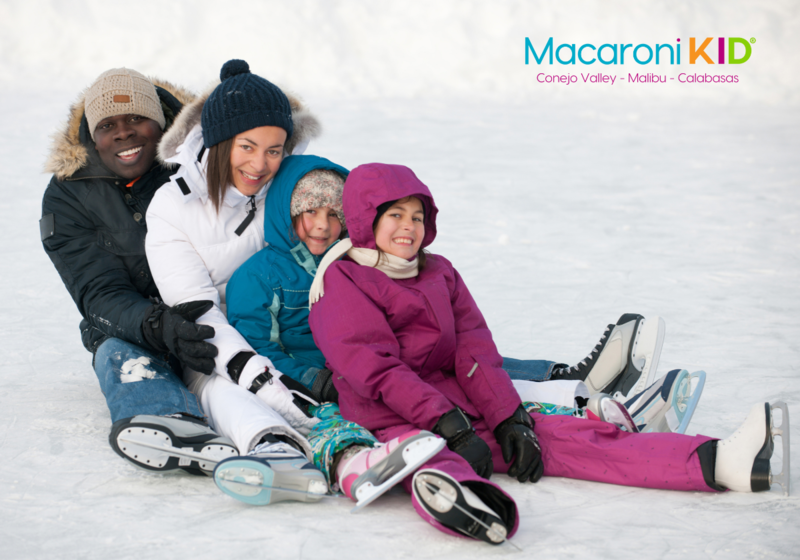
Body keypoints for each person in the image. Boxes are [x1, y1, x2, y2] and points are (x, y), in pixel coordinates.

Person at [307, 163, 790, 545]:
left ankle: (721, 461)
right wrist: (446, 424)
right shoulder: (343, 281)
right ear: (367, 219)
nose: (408, 228)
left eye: (417, 216)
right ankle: (470, 503)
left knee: (574, 437)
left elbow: (475, 351)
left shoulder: (440, 271)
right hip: (391, 418)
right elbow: (376, 370)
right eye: (395, 215)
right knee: (432, 455)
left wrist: (509, 419)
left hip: (459, 404)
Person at [145, 60, 444, 507]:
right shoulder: (172, 207)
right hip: (214, 341)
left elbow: (336, 221)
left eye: (274, 149)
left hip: (291, 327)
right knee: (223, 386)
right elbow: (197, 311)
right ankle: (279, 450)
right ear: (220, 141)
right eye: (247, 146)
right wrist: (266, 379)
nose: (260, 164)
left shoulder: (285, 186)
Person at [40, 68, 239, 475]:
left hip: (218, 307)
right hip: (134, 325)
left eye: (136, 119)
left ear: (163, 122)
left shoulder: (200, 159)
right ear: (92, 137)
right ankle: (171, 423)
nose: (123, 133)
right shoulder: (67, 195)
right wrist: (157, 326)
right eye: (108, 125)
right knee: (117, 354)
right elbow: (97, 291)